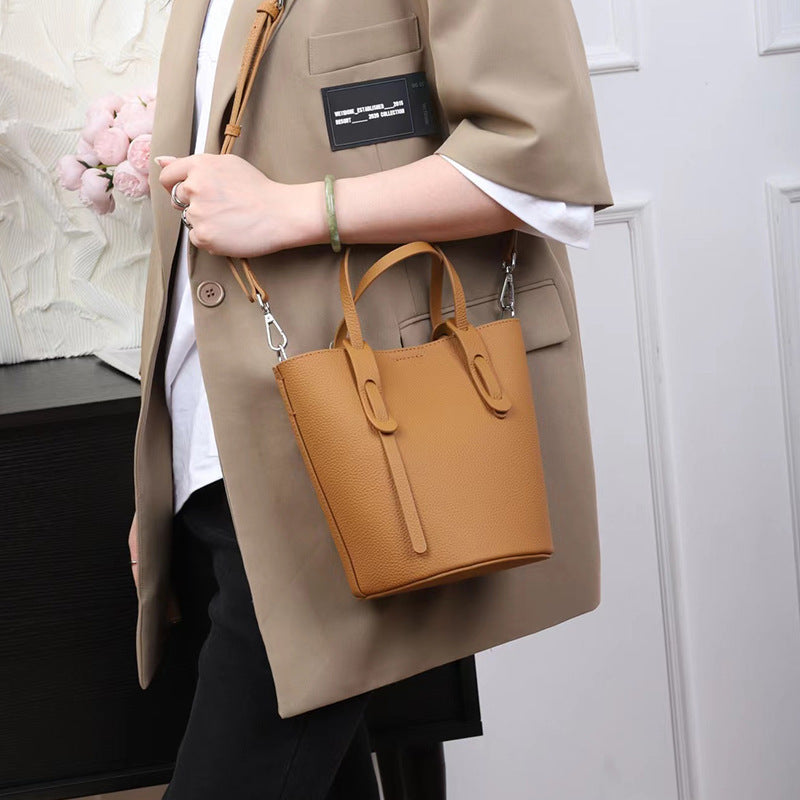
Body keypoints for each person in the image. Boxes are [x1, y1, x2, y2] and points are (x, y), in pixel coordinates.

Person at [128, 0, 613, 796]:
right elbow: (190, 254)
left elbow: (542, 160)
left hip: (357, 457)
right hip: (224, 468)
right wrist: (163, 476)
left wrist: (297, 209)